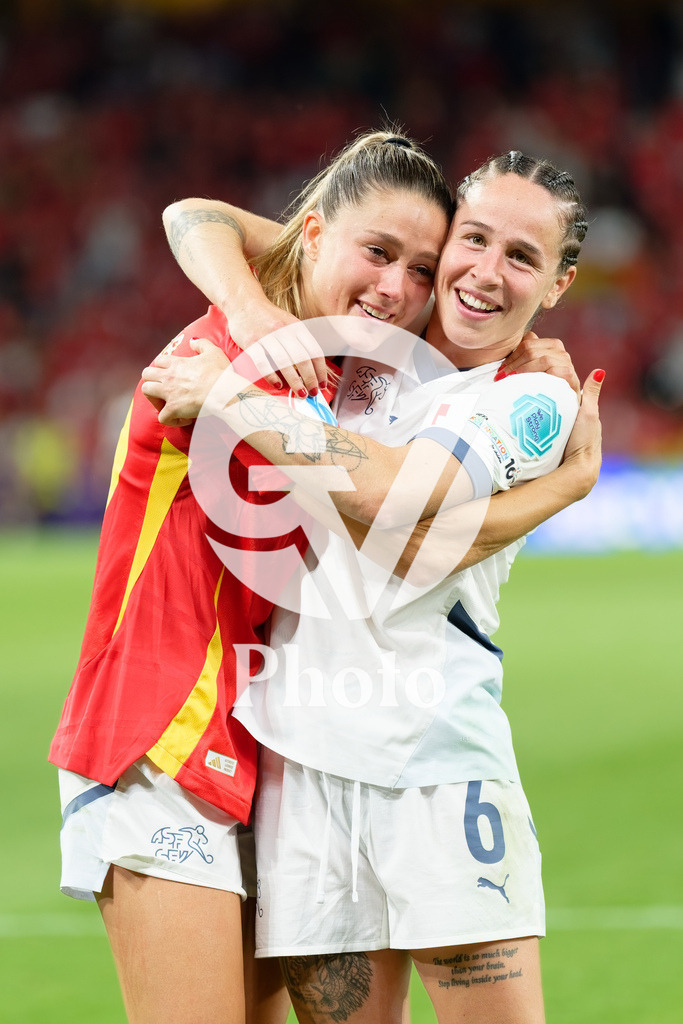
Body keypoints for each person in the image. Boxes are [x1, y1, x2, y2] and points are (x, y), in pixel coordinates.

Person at [50, 129, 588, 1024]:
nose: (397, 287)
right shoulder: (238, 346)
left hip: (290, 748)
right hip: (161, 728)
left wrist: (566, 481)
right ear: (307, 236)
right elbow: (195, 215)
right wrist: (244, 313)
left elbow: (402, 519)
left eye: (420, 267)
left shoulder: (362, 365)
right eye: (384, 255)